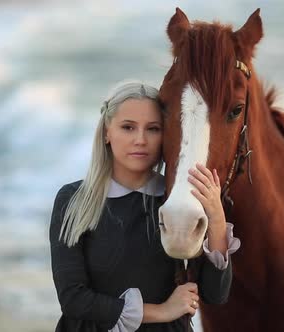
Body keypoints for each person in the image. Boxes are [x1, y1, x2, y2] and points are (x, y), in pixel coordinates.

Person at [49, 80, 240, 332]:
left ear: (167, 135)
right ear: (107, 131)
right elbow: (73, 299)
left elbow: (215, 294)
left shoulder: (178, 202)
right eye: (128, 127)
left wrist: (216, 218)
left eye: (153, 129)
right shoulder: (73, 199)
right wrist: (161, 312)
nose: (140, 140)